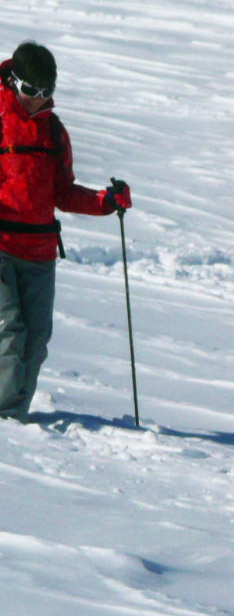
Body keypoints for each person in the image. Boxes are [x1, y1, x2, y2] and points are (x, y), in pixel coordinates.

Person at [0, 41, 132, 423]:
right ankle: (6, 426)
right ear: (12, 82)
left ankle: (16, 419)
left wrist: (105, 202)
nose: (38, 101)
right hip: (2, 246)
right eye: (30, 91)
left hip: (40, 253)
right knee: (10, 335)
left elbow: (62, 193)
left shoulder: (54, 132)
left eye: (47, 93)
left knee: (35, 344)